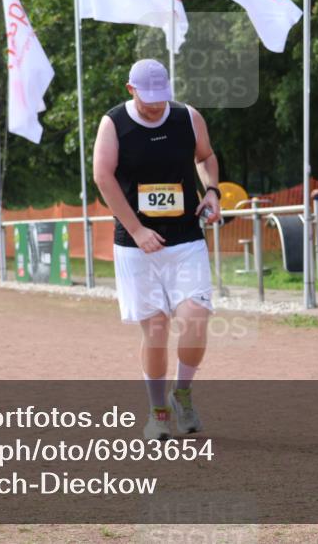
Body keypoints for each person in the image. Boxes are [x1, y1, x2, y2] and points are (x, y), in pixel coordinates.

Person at [92, 58, 221, 441]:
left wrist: (211, 190)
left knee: (196, 319)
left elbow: (206, 157)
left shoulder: (187, 117)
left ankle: (182, 394)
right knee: (157, 329)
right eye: (148, 99)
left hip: (184, 238)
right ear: (130, 89)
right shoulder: (114, 123)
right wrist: (136, 228)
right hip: (137, 247)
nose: (156, 105)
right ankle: (158, 411)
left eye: (161, 97)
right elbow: (103, 176)